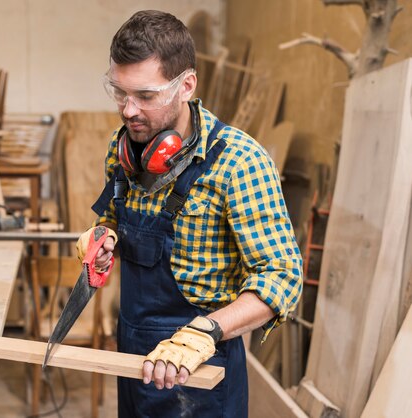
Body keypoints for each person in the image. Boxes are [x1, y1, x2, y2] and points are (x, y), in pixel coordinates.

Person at [75, 9, 303, 418]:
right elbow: (112, 214)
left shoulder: (239, 163)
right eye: (119, 92)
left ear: (187, 86)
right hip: (133, 358)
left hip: (200, 372)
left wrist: (206, 332)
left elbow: (282, 277)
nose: (128, 111)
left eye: (145, 96)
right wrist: (101, 238)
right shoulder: (124, 146)